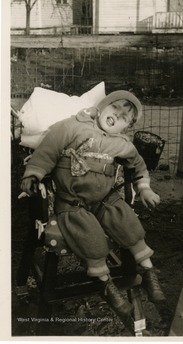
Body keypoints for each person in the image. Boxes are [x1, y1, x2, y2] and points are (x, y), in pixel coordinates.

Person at [21, 90, 165, 317]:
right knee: (90, 236)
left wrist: (144, 188)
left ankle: (148, 272)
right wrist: (33, 174)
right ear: (101, 107)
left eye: (125, 117)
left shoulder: (121, 143)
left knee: (126, 221)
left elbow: (138, 165)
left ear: (126, 128)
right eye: (115, 108)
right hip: (72, 203)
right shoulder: (72, 126)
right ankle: (105, 283)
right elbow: (48, 149)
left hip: (104, 199)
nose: (117, 116)